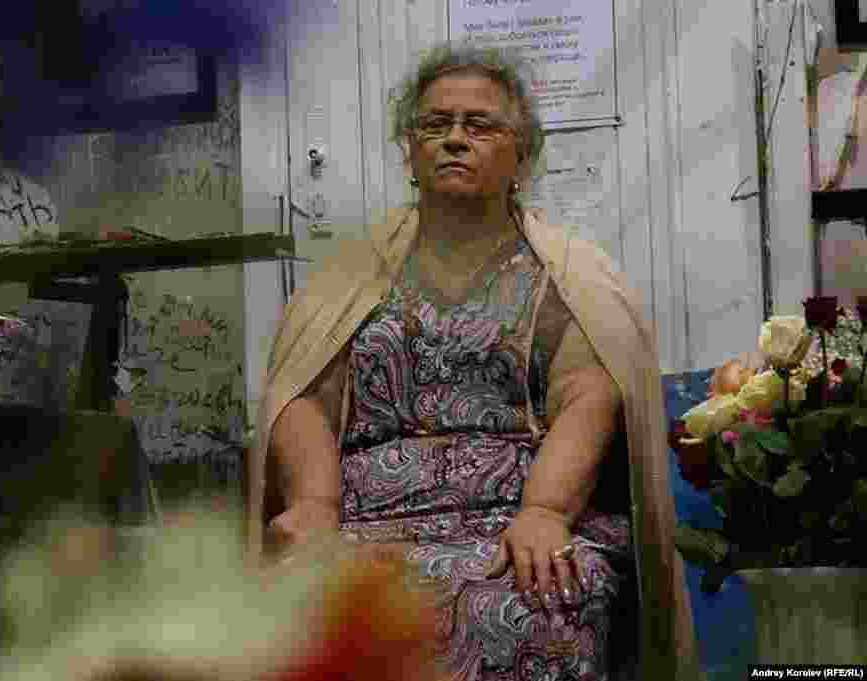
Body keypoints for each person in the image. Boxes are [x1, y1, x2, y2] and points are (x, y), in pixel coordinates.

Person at [247, 43, 700, 681]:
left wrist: (545, 513)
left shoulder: (567, 277)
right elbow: (305, 398)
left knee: (546, 599)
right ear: (410, 150)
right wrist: (315, 507)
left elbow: (587, 396)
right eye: (435, 124)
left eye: (480, 125)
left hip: (516, 519)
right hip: (364, 522)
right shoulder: (346, 280)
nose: (455, 138)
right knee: (305, 606)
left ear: (522, 155)